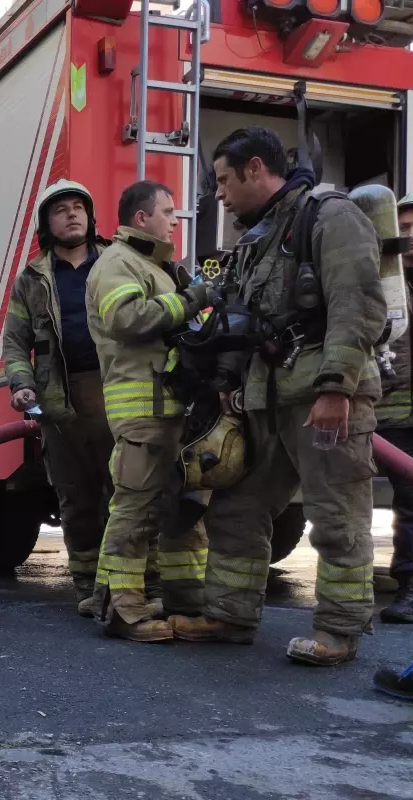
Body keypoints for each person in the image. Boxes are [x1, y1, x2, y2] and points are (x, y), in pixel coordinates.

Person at [169, 127, 384, 666]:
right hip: (263, 398)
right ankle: (230, 614)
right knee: (236, 508)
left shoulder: (329, 217)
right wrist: (226, 386)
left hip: (320, 396)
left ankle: (338, 631)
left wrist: (336, 389)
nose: (218, 194)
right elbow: (240, 321)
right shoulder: (255, 238)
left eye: (223, 180)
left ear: (255, 168)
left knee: (336, 514)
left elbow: (356, 305)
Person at [85, 180, 215, 642]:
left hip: (173, 412)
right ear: (141, 219)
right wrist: (194, 298)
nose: (175, 220)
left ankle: (185, 603)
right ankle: (123, 613)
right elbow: (128, 320)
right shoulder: (117, 264)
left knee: (183, 511)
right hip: (144, 413)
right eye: (168, 212)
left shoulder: (154, 266)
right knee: (135, 512)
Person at [3, 180, 115, 614]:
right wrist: (21, 383)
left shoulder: (116, 263)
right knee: (75, 494)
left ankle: (125, 585)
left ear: (89, 216)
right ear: (46, 224)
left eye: (78, 208)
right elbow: (14, 341)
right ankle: (87, 587)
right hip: (57, 399)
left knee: (125, 490)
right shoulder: (31, 279)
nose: (71, 215)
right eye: (60, 210)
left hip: (116, 393)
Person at [376, 192, 413, 624]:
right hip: (394, 412)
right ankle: (409, 585)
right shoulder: (384, 280)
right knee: (410, 499)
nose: (408, 235)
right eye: (401, 227)